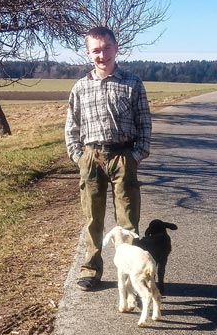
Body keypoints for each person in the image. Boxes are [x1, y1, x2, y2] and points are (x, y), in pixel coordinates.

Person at [64, 26, 152, 291]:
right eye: (96, 51)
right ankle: (91, 269)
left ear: (116, 48)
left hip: (123, 156)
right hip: (91, 158)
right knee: (93, 219)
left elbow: (144, 123)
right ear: (88, 53)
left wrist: (136, 156)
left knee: (127, 221)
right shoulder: (81, 87)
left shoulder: (132, 83)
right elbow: (72, 127)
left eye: (106, 48)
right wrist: (78, 156)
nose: (102, 55)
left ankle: (132, 274)